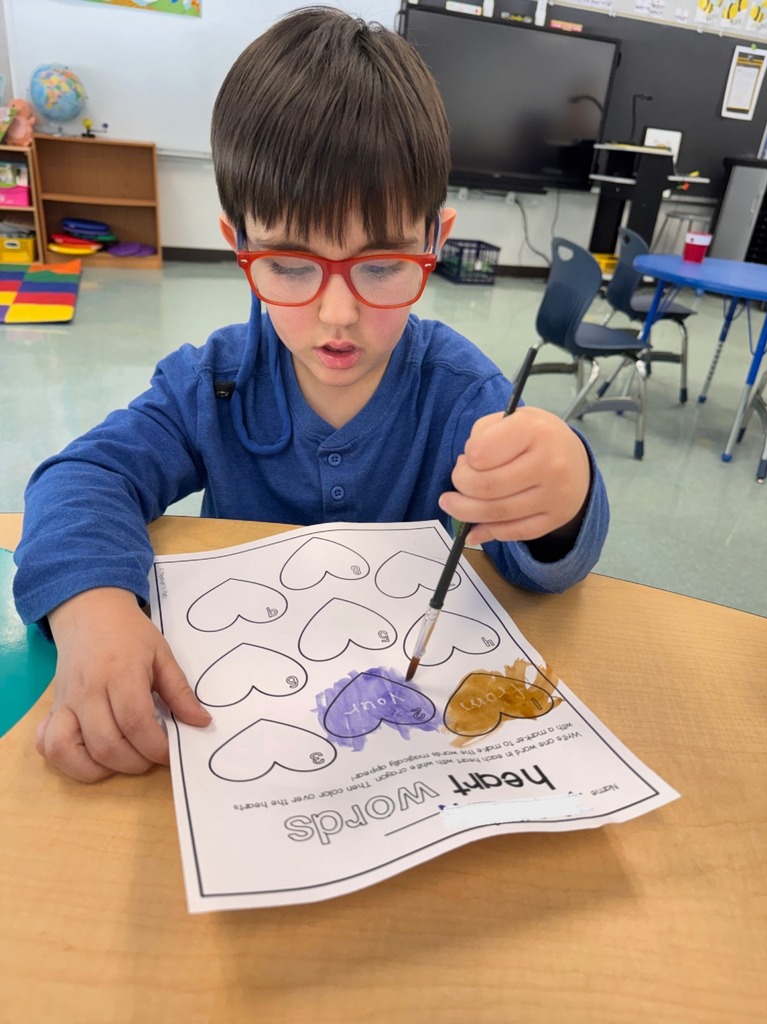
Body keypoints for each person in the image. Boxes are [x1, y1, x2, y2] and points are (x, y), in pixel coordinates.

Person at [13, 5, 609, 784]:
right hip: (245, 734)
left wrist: (565, 497)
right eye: (291, 267)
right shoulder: (215, 382)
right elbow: (81, 479)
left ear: (435, 241)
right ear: (238, 246)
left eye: (384, 264)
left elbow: (545, 563)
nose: (338, 313)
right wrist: (93, 608)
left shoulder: (461, 393)